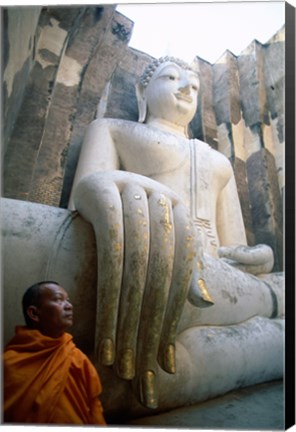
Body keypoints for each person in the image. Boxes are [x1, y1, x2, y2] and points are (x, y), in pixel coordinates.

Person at [68, 56, 284, 409]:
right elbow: (77, 214)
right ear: (143, 90)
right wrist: (109, 189)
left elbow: (235, 246)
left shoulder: (218, 161)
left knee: (277, 289)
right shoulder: (113, 130)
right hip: (151, 262)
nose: (186, 88)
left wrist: (259, 257)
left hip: (222, 278)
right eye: (171, 77)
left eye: (195, 86)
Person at [3, 281, 107, 425]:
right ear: (34, 313)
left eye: (68, 301)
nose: (69, 306)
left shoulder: (76, 357)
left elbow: (94, 407)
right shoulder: (9, 364)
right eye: (58, 300)